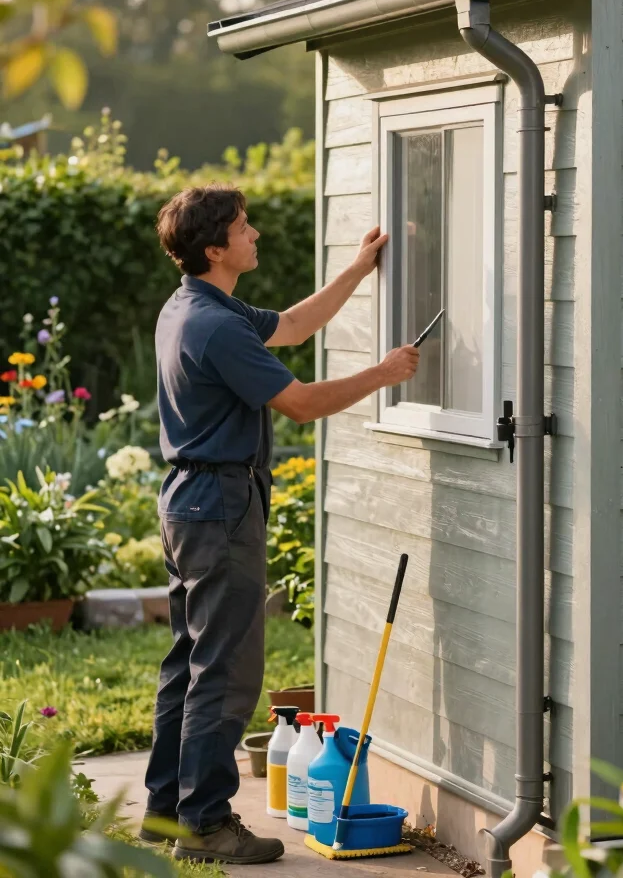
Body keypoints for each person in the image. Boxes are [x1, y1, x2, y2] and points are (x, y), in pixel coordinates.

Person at [140, 183, 419, 866]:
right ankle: (205, 824)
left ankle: (166, 814)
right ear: (215, 248)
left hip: (190, 505)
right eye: (243, 227)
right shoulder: (214, 326)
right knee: (227, 671)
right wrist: (383, 375)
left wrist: (356, 269)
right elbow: (298, 403)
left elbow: (292, 326)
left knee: (190, 665)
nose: (255, 233)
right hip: (219, 510)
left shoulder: (195, 307)